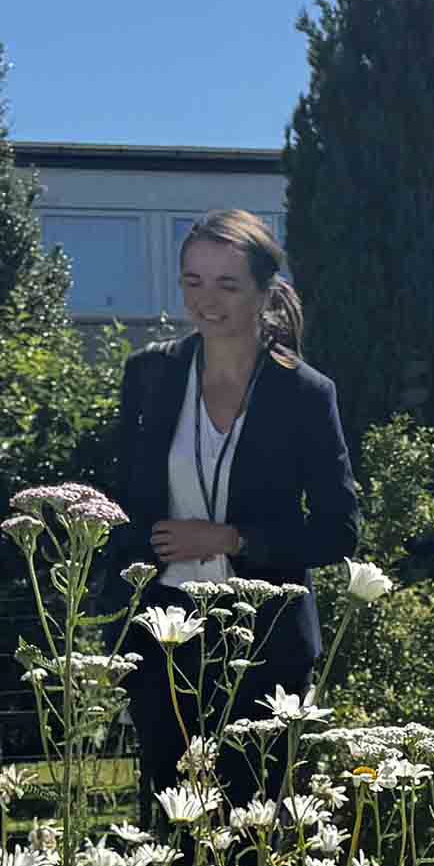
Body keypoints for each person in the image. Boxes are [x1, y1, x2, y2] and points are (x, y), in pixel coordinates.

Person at [102, 210, 360, 822]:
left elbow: (339, 529)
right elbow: (118, 507)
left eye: (226, 284)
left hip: (267, 643)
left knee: (256, 828)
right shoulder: (149, 376)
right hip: (161, 634)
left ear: (265, 294)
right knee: (171, 828)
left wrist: (232, 539)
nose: (205, 300)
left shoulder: (304, 393)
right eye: (192, 281)